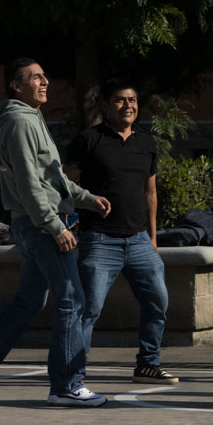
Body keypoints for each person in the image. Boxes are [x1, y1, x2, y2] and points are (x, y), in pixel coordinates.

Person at [0, 58, 111, 407]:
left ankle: (65, 383)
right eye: (35, 77)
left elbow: (53, 178)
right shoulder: (18, 121)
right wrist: (54, 225)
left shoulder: (30, 117)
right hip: (41, 224)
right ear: (16, 86)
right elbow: (30, 183)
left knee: (31, 299)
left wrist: (88, 199)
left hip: (36, 222)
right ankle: (65, 385)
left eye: (44, 75)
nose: (44, 81)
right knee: (71, 299)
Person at [63, 77, 178, 385]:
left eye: (133, 101)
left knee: (158, 303)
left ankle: (148, 364)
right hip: (99, 240)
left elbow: (150, 193)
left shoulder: (146, 142)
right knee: (89, 311)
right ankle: (73, 375)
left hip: (139, 240)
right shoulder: (89, 140)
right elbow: (65, 185)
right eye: (120, 100)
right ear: (105, 105)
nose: (128, 106)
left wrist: (152, 237)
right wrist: (68, 220)